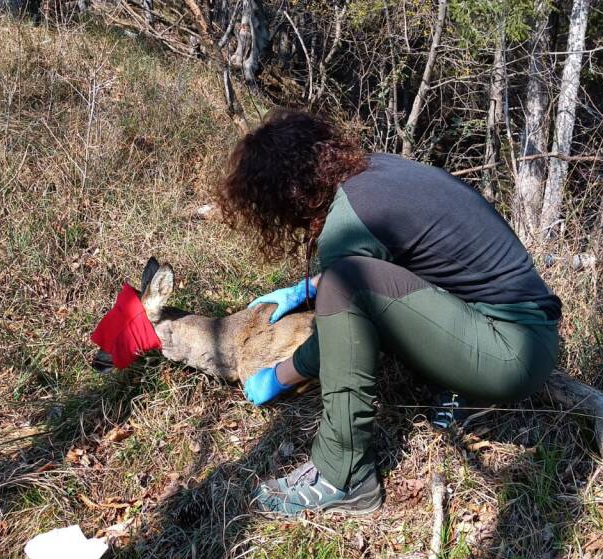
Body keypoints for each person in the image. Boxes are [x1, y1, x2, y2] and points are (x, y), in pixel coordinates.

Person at [217, 109, 561, 516]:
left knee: (346, 283)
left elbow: (339, 323)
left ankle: (341, 475)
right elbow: (413, 259)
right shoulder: (376, 172)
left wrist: (279, 375)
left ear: (285, 196)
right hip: (524, 330)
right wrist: (307, 289)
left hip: (510, 354)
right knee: (342, 282)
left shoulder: (348, 219)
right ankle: (465, 393)